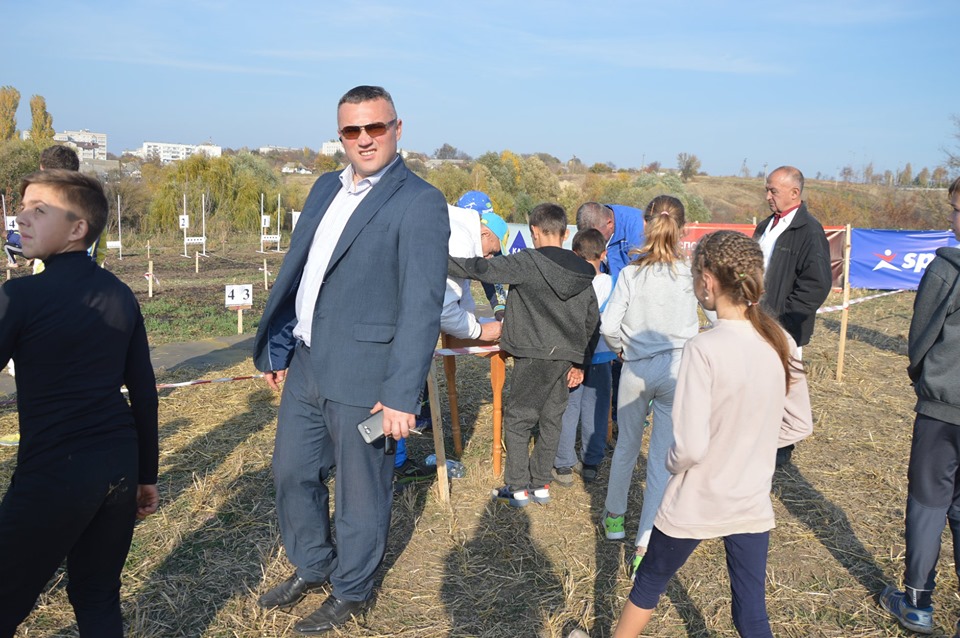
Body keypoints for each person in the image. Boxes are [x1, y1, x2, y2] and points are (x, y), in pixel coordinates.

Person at [252, 85, 449, 634]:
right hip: (309, 364)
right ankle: (313, 564)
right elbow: (300, 274)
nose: (364, 139)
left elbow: (421, 305)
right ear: (339, 135)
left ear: (397, 128)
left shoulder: (420, 201)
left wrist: (401, 393)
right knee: (292, 471)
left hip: (368, 378)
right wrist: (280, 344)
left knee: (362, 492)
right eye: (351, 130)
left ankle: (351, 588)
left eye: (375, 128)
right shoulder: (323, 189)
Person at [610, 230, 812, 637]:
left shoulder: (703, 348)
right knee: (752, 612)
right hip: (751, 499)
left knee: (648, 583)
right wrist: (748, 443)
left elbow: (690, 446)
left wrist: (670, 462)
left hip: (695, 499)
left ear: (708, 280)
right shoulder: (782, 341)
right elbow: (799, 424)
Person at [0, 169, 159, 637]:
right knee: (96, 594)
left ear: (77, 229)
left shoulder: (22, 295)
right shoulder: (122, 295)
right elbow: (144, 395)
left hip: (54, 473)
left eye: (38, 210)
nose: (21, 219)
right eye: (22, 207)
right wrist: (145, 476)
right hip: (118, 468)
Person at [448, 203, 599, 508]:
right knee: (551, 419)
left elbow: (482, 269)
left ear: (533, 232)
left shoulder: (528, 261)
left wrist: (439, 259)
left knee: (518, 420)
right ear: (565, 232)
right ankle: (541, 484)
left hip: (530, 354)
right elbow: (592, 320)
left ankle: (517, 487)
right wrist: (580, 362)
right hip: (564, 359)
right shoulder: (583, 272)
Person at [599, 196, 700, 577]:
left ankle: (614, 518)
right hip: (677, 371)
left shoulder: (630, 275)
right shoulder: (690, 275)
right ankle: (644, 543)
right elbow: (711, 313)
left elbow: (609, 326)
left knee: (626, 446)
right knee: (661, 459)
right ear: (683, 229)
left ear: (645, 225)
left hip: (636, 369)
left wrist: (621, 349)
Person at [880, 177, 960, 637]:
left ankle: (917, 602)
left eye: (954, 209)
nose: (950, 217)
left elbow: (922, 337)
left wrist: (927, 380)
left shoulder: (947, 267)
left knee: (929, 504)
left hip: (943, 411)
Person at [396, 207, 507, 484]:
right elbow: (445, 310)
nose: (491, 258)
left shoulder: (461, 230)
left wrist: (470, 323)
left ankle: (392, 459)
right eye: (493, 250)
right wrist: (480, 331)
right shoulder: (458, 239)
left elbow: (462, 293)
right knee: (392, 390)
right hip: (396, 320)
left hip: (398, 314)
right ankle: (393, 464)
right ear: (484, 233)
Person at [753, 166, 831, 466]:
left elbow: (817, 284)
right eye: (767, 189)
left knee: (781, 392)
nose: (768, 195)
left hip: (782, 329)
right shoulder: (764, 226)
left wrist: (783, 322)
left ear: (794, 193)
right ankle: (760, 446)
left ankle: (779, 451)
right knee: (759, 391)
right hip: (756, 325)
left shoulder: (809, 231)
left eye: (773, 190)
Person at [552, 228, 615, 486]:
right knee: (597, 411)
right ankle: (591, 461)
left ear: (574, 254)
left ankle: (564, 464)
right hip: (600, 357)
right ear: (604, 254)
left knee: (569, 410)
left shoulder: (570, 283)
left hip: (571, 356)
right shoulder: (612, 283)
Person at [576, 202, 645, 282]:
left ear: (610, 224)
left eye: (596, 235)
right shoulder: (601, 222)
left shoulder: (639, 231)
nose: (592, 240)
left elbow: (643, 276)